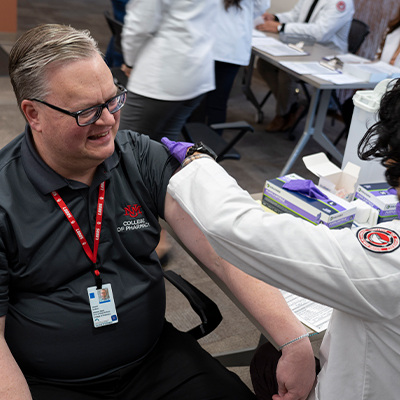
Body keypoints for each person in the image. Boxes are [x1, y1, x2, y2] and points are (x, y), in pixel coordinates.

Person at [1, 24, 316, 399]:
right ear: (33, 113)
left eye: (113, 99)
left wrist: (293, 340)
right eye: (86, 111)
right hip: (53, 382)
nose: (107, 121)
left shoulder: (138, 156)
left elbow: (221, 252)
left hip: (153, 359)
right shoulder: (6, 197)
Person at [163, 78, 400, 399]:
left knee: (266, 365)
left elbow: (240, 231)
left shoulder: (387, 263)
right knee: (269, 359)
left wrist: (196, 162)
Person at [118, 0, 216, 142]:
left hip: (162, 76)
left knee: (123, 144)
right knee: (164, 144)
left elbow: (139, 26)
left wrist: (130, 61)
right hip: (197, 71)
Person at [255, 0, 354, 132]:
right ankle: (294, 105)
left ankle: (283, 113)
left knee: (287, 72)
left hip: (325, 55)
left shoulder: (342, 3)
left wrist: (281, 27)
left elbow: (320, 33)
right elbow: (295, 15)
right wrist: (275, 18)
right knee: (264, 64)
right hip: (304, 46)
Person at [190, 0, 270, 132]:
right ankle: (212, 148)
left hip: (208, 41)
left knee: (197, 100)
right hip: (233, 45)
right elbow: (261, 6)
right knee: (218, 103)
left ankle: (189, 146)